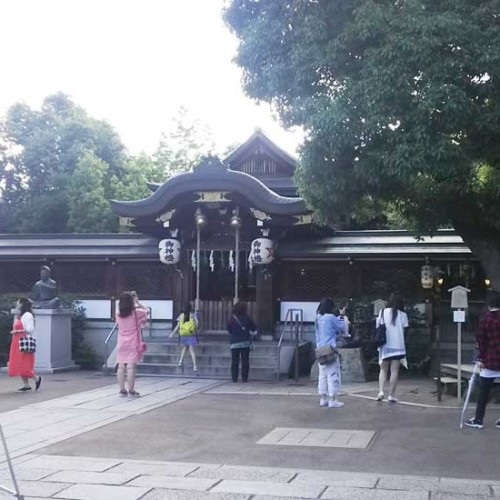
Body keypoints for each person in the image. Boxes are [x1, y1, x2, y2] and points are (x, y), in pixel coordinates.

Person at [465, 291, 500, 429]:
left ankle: (479, 419)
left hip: (489, 361)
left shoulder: (485, 320)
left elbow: (481, 341)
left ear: (489, 304)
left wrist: (479, 358)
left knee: (484, 392)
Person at [315, 297, 350, 408]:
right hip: (330, 349)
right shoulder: (331, 317)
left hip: (320, 350)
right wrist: (342, 315)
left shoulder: (317, 318)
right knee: (333, 374)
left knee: (322, 375)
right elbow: (342, 327)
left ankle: (323, 398)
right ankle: (333, 399)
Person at [376, 292, 409, 403]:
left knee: (383, 369)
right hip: (398, 346)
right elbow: (404, 330)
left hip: (385, 345)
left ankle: (381, 391)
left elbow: (378, 327)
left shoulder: (382, 312)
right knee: (394, 371)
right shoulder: (403, 315)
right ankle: (391, 395)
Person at [116, 291, 148, 398]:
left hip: (121, 342)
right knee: (130, 367)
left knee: (121, 366)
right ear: (131, 301)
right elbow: (146, 312)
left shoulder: (118, 313)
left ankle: (122, 390)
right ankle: (132, 391)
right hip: (133, 342)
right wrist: (138, 303)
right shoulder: (137, 312)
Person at [8, 297, 42, 392]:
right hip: (17, 340)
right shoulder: (21, 315)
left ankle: (36, 378)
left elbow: (30, 329)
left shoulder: (27, 315)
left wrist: (17, 331)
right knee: (19, 363)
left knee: (24, 363)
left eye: (18, 302)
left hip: (22, 341)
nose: (17, 304)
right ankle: (26, 384)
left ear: (22, 304)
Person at [227, 301, 257, 383]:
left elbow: (229, 329)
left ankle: (234, 378)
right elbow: (254, 328)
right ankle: (244, 378)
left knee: (234, 361)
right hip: (245, 342)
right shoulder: (247, 318)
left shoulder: (232, 319)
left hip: (234, 342)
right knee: (245, 360)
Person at [169, 303, 199, 372]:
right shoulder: (193, 315)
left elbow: (178, 326)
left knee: (185, 347)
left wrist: (172, 334)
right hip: (191, 334)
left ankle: (180, 361)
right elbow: (197, 325)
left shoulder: (181, 316)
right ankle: (195, 366)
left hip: (183, 334)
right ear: (190, 308)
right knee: (191, 350)